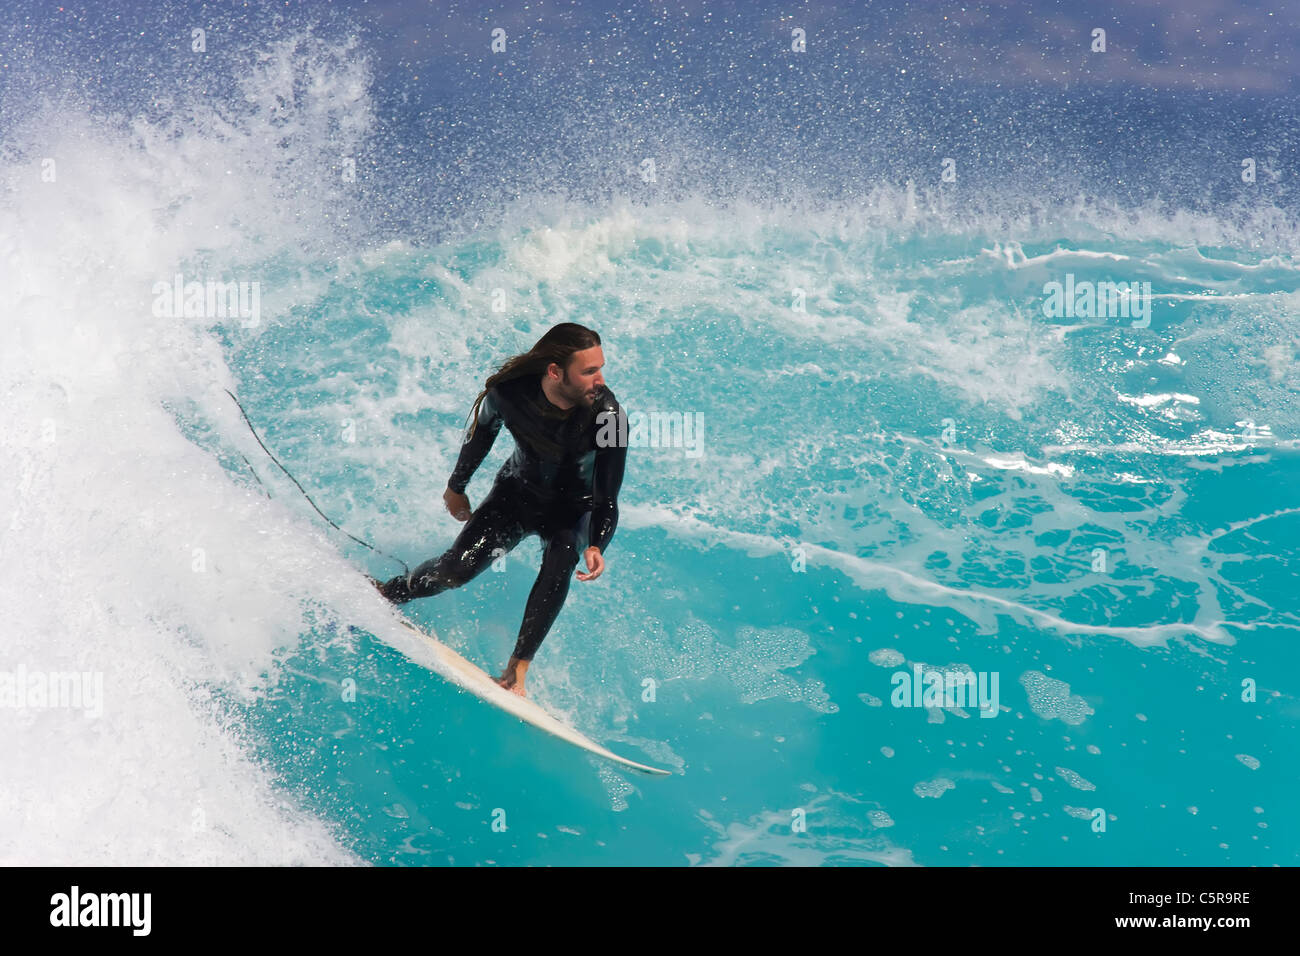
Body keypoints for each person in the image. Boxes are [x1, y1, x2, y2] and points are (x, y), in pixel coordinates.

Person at [376, 322, 628, 698]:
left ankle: (515, 671)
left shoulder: (610, 418)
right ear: (556, 372)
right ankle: (390, 593)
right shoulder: (509, 394)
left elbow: (607, 496)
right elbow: (482, 432)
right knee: (454, 571)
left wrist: (596, 545)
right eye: (589, 371)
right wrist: (456, 487)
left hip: (574, 511)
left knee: (559, 564)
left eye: (600, 368)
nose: (600, 380)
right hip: (517, 494)